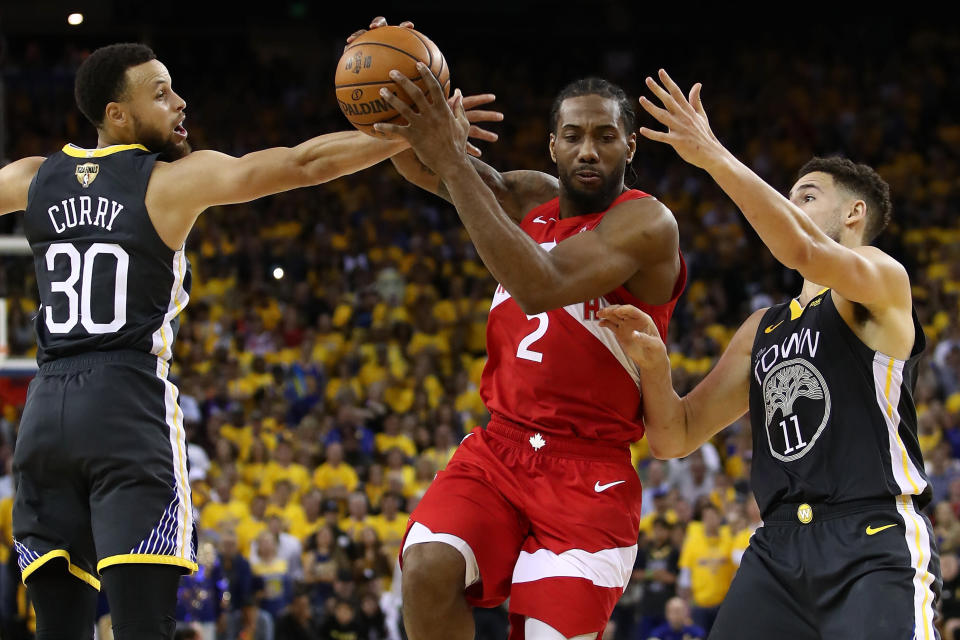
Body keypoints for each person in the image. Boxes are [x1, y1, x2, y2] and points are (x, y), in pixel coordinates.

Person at [0, 41, 406, 640]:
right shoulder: (167, 182)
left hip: (43, 410)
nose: (181, 103)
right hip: (125, 401)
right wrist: (415, 133)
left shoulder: (32, 177)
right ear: (117, 115)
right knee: (145, 626)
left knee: (57, 628)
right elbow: (303, 164)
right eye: (161, 94)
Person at [355, 17, 686, 640]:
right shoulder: (530, 197)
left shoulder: (646, 224)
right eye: (574, 136)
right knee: (426, 569)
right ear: (552, 146)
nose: (589, 149)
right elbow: (427, 170)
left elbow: (539, 285)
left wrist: (451, 155)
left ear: (630, 146)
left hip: (590, 473)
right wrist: (400, 104)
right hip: (500, 448)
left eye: (605, 136)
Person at [598, 69, 939, 638]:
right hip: (777, 549)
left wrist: (711, 154)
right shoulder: (763, 328)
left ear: (853, 215)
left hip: (871, 537)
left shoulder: (881, 278)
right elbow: (674, 436)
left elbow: (800, 245)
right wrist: (654, 366)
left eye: (805, 195)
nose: (787, 206)